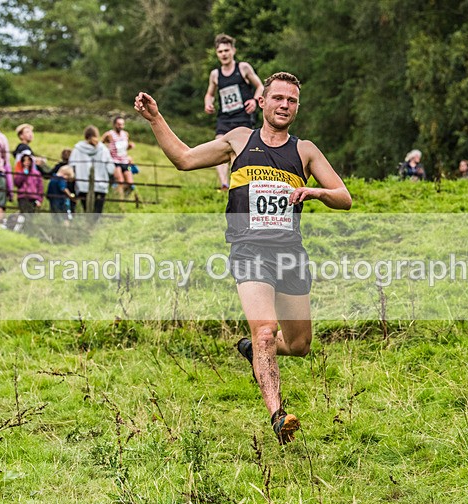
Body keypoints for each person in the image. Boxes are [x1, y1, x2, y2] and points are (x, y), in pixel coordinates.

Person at [136, 72, 352, 444]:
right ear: (263, 101)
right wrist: (156, 119)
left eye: (293, 101)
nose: (285, 105)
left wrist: (314, 192)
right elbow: (185, 160)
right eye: (279, 98)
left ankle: (253, 351)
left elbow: (344, 197)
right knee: (266, 331)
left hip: (290, 254)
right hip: (249, 250)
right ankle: (278, 415)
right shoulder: (239, 140)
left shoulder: (306, 151)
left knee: (299, 345)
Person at [204, 34, 264, 191]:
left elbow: (260, 87)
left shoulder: (243, 68)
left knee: (242, 152)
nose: (223, 54)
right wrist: (208, 103)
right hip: (224, 118)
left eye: (226, 50)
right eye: (220, 51)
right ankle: (224, 184)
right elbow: (210, 93)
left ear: (233, 51)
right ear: (217, 54)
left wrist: (255, 101)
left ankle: (241, 184)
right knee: (219, 147)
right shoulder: (215, 74)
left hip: (243, 117)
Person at [69, 125, 115, 214]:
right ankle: (94, 227)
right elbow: (111, 168)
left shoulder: (77, 149)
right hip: (101, 185)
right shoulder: (103, 149)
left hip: (82, 185)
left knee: (87, 211)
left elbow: (71, 166)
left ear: (85, 135)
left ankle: (88, 226)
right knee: (97, 212)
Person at [101, 116, 137, 198]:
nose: (121, 126)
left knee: (130, 183)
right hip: (115, 162)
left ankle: (123, 195)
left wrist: (129, 147)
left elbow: (123, 149)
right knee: (120, 181)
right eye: (119, 124)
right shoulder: (109, 134)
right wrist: (107, 152)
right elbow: (101, 145)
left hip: (125, 162)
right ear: (114, 124)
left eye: (122, 124)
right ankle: (120, 201)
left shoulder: (125, 134)